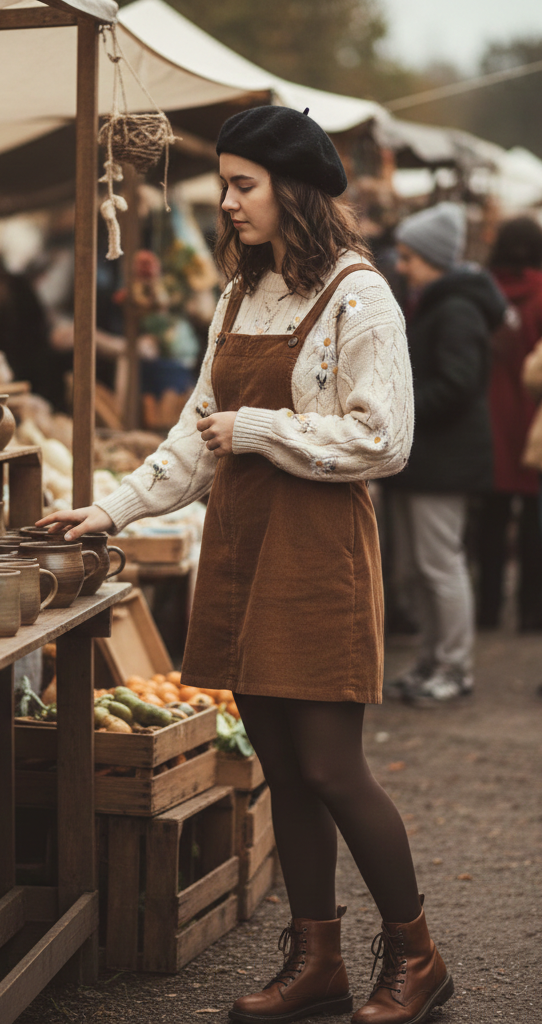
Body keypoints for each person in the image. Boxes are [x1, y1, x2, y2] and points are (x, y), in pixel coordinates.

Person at [39, 106, 453, 1024]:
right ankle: (318, 961)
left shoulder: (359, 294)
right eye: (224, 183)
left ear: (293, 189)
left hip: (316, 550)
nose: (226, 202)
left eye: (242, 184)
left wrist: (260, 429)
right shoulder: (241, 294)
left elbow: (385, 442)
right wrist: (106, 509)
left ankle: (418, 956)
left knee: (333, 769)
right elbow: (196, 438)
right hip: (241, 543)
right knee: (275, 759)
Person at [386, 202, 505, 706]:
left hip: (445, 462)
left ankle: (455, 668)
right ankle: (432, 661)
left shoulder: (454, 308)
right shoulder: (438, 302)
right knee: (419, 570)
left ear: (433, 258)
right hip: (429, 461)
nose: (402, 266)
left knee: (439, 566)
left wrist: (402, 409)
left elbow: (458, 384)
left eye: (410, 257)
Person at [476, 217, 542, 631]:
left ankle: (487, 612)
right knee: (535, 526)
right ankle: (533, 614)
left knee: (490, 523)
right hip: (535, 423)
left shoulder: (483, 290)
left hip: (490, 421)